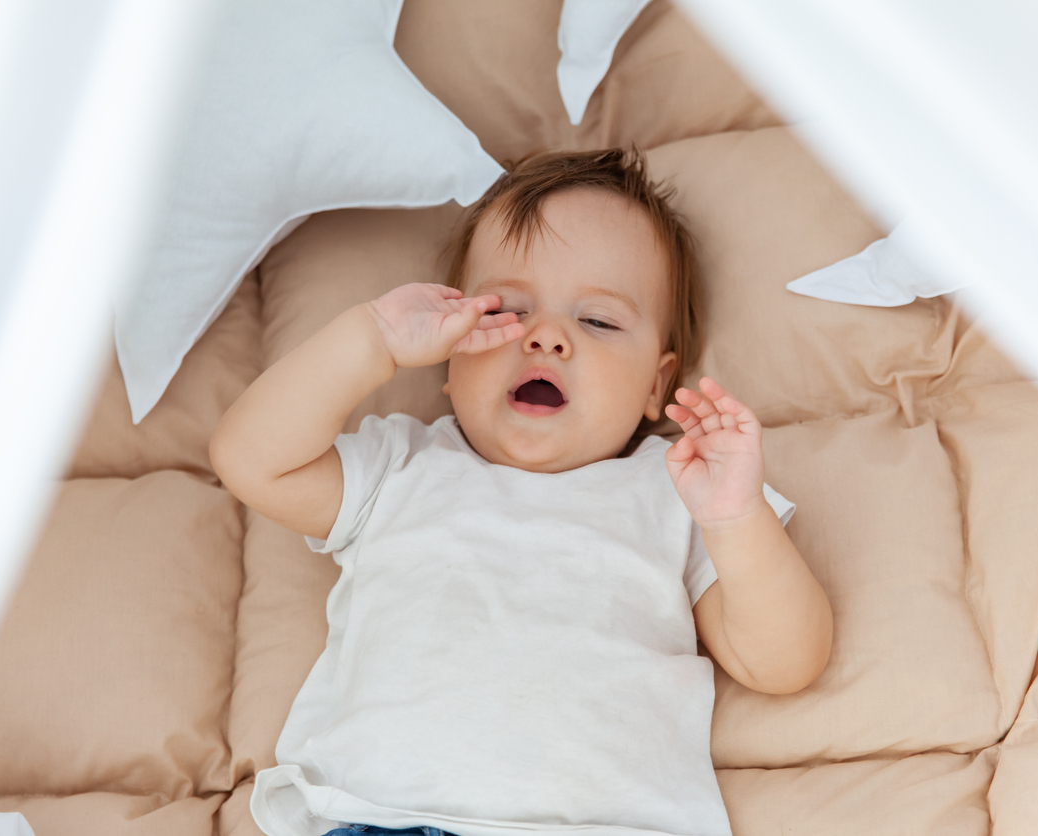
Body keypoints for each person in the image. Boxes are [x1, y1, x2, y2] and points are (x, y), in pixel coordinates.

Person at [210, 149, 833, 836]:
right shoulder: (403, 466)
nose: (547, 338)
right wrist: (375, 340)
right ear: (447, 356)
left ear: (656, 386)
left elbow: (782, 661)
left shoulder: (676, 490)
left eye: (597, 321)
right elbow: (250, 459)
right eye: (506, 310)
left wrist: (738, 517)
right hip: (378, 817)